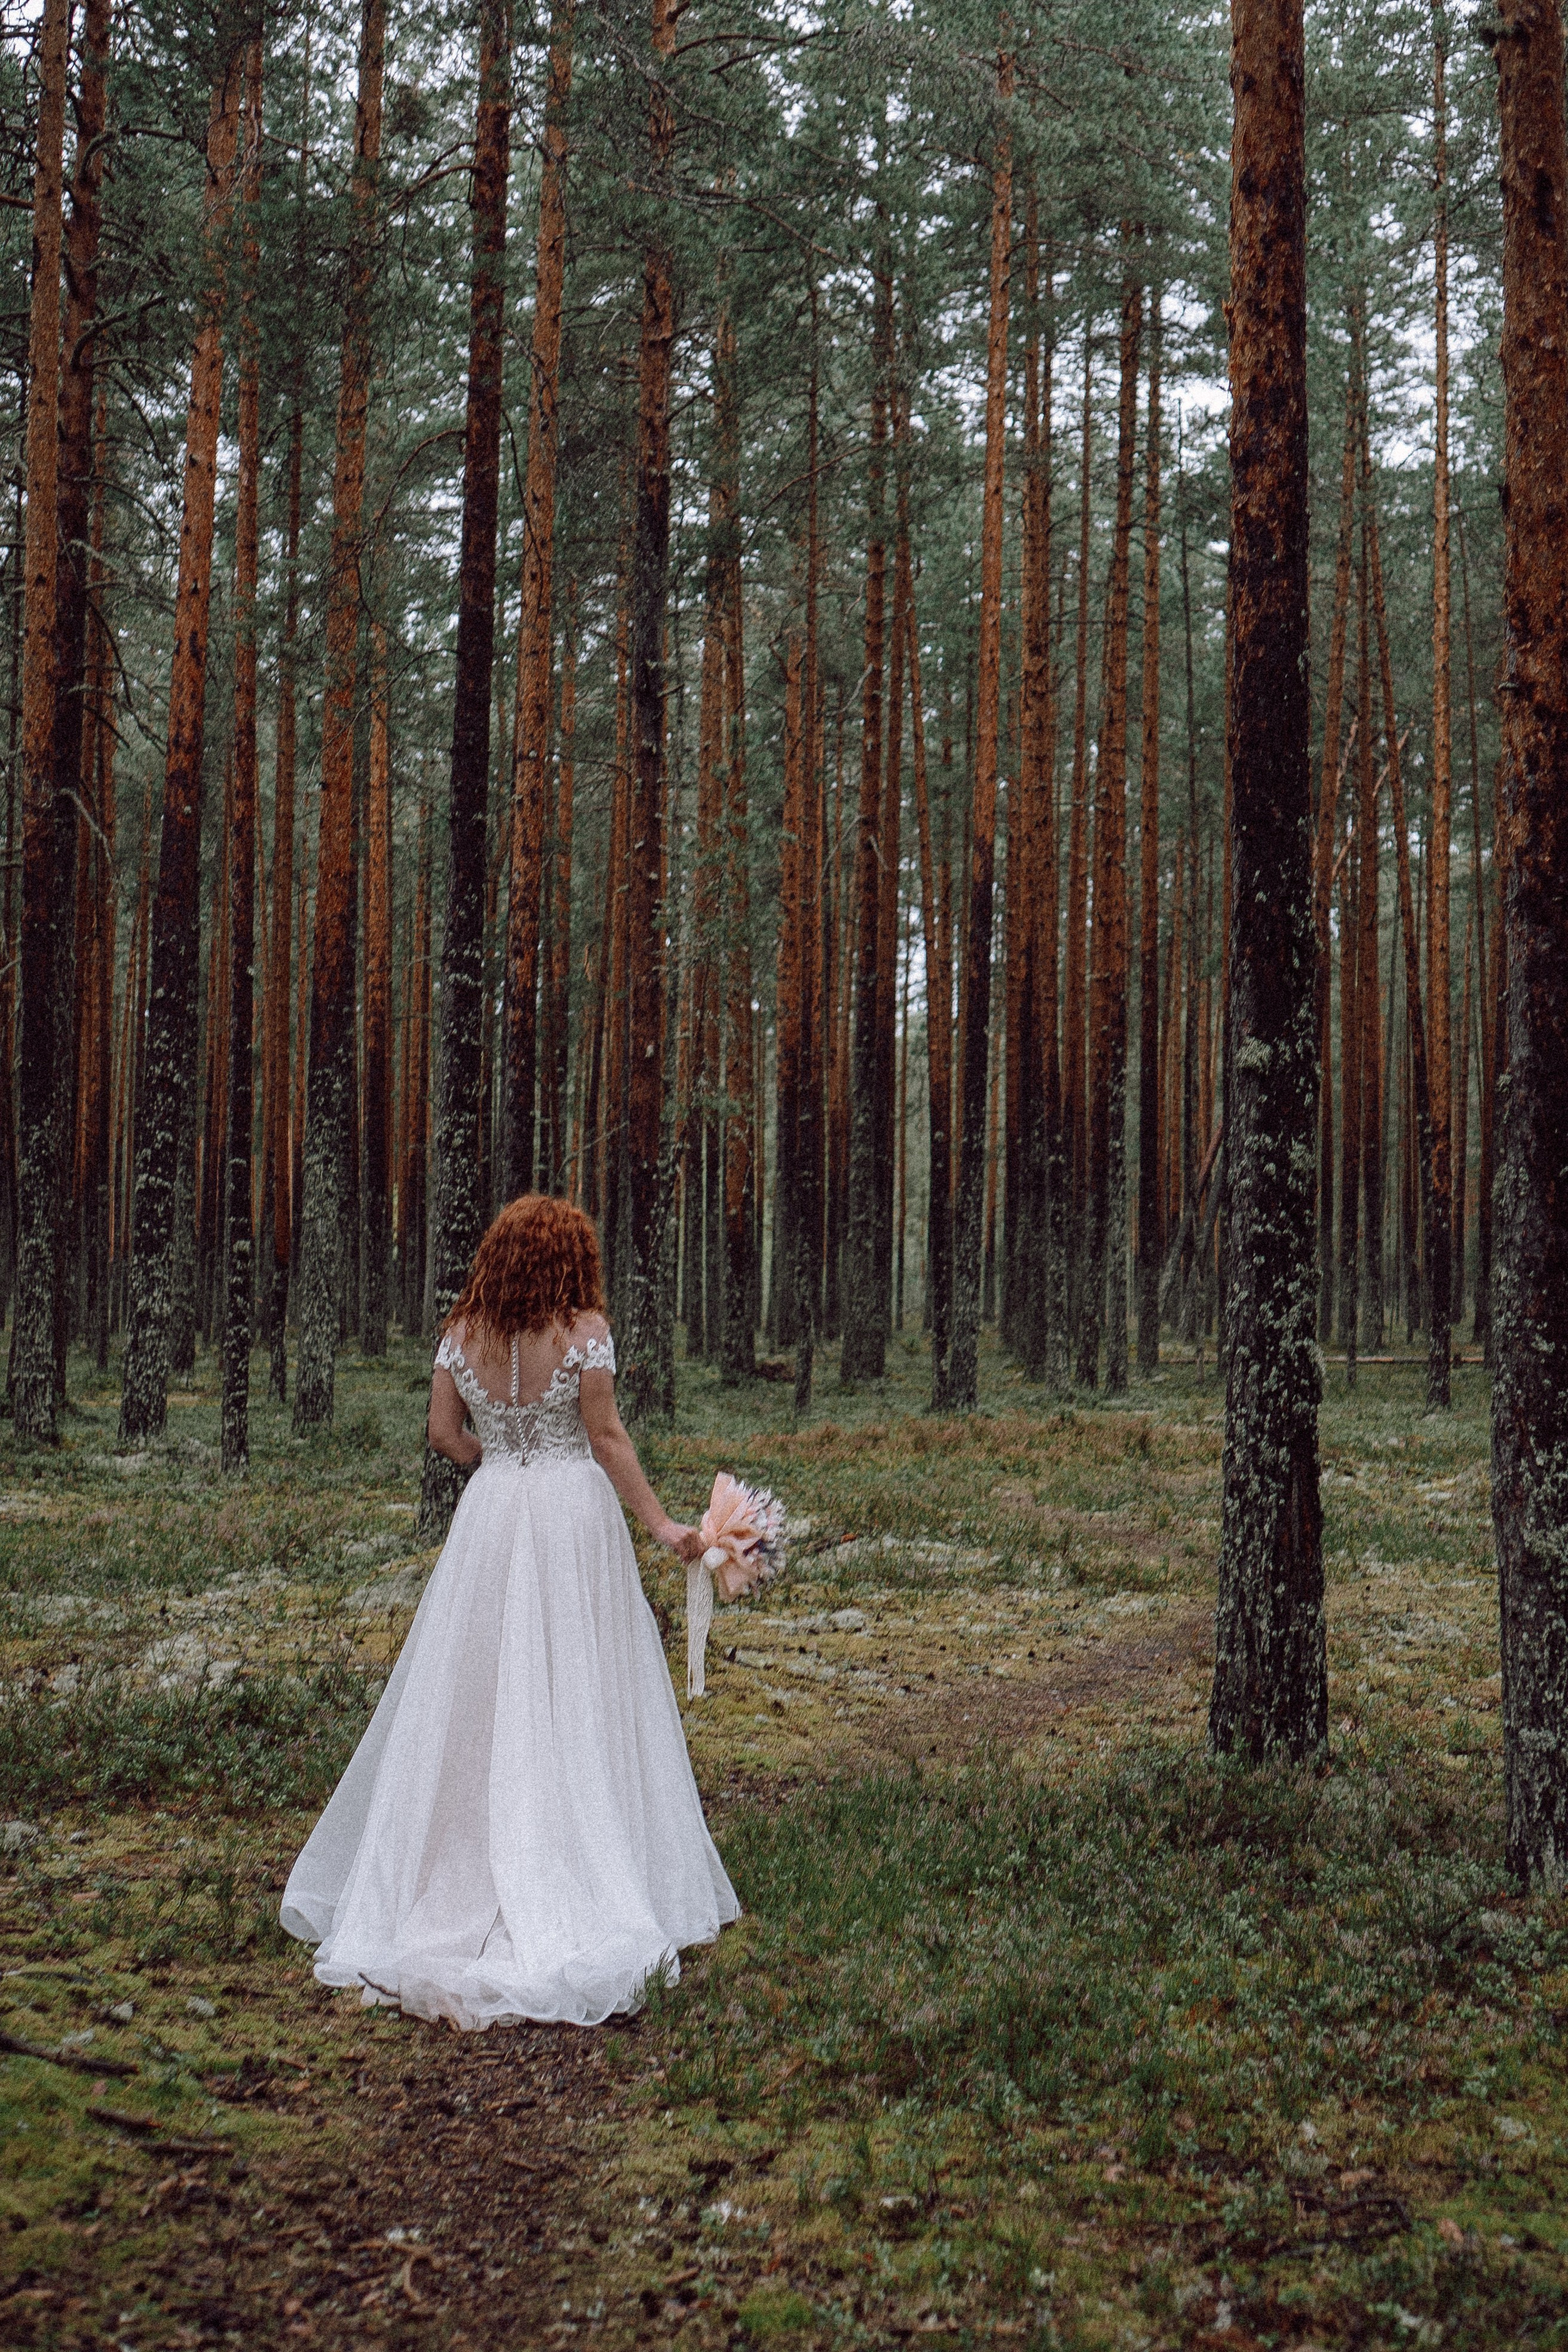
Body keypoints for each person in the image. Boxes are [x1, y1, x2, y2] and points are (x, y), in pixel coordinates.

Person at [281, 1194, 739, 2029]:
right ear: (572, 1257)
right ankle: (574, 1859)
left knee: (479, 1690)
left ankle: (461, 1864)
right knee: (576, 1678)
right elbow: (606, 1440)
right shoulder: (582, 1332)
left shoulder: (462, 1335)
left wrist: (503, 1457)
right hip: (569, 1514)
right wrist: (664, 1524)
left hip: (492, 1514)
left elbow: (441, 1435)